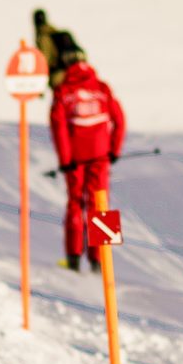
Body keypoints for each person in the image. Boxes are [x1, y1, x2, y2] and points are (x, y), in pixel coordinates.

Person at [48, 53, 126, 271]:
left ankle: (73, 257)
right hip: (101, 156)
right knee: (100, 203)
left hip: (75, 159)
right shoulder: (102, 88)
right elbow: (119, 120)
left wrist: (65, 160)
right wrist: (114, 149)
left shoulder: (63, 91)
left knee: (75, 203)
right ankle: (100, 260)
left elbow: (59, 127)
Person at [32, 8, 84, 91]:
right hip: (74, 72)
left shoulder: (43, 37)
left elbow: (45, 60)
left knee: (61, 96)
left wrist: (39, 82)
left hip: (59, 75)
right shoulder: (55, 32)